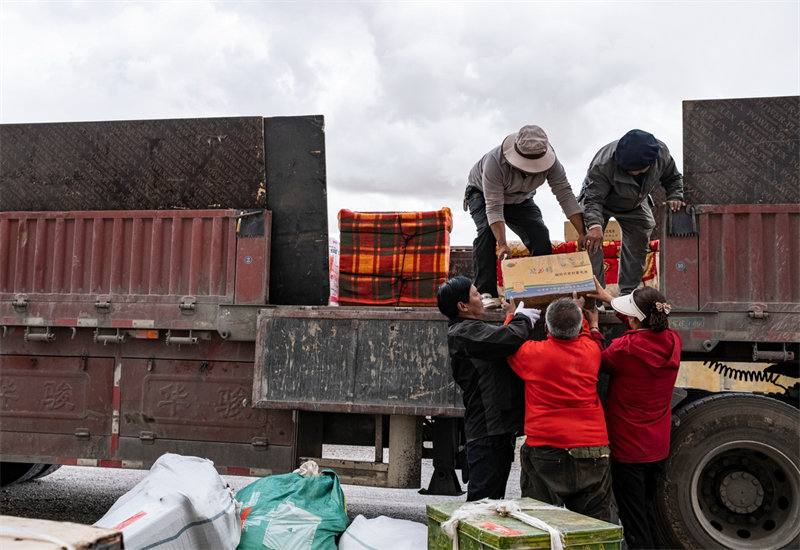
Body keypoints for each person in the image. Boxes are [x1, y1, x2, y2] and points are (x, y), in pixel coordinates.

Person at [586, 281, 682, 549]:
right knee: (648, 512)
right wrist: (607, 298)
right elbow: (642, 324)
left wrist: (594, 327)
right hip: (656, 447)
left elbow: (596, 361)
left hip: (628, 449)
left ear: (634, 320)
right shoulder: (673, 341)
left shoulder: (625, 349)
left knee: (634, 523)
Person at [506, 296, 612, 522]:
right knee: (593, 526)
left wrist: (511, 317)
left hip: (546, 446)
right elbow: (584, 336)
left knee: (542, 525)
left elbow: (507, 342)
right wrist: (586, 319)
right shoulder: (591, 351)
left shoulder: (532, 354)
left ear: (545, 327)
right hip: (592, 447)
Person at [436, 276, 540, 501]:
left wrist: (512, 317)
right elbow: (508, 338)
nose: (481, 299)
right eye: (476, 295)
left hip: (495, 428)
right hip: (487, 429)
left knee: (491, 499)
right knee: (482, 503)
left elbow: (499, 339)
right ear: (462, 306)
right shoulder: (464, 332)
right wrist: (521, 320)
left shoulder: (471, 329)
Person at [466, 125, 588, 309]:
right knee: (486, 232)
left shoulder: (553, 162)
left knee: (539, 233)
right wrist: (503, 243)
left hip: (520, 198)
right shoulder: (494, 162)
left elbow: (565, 195)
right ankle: (486, 291)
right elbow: (494, 206)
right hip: (482, 194)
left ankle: (540, 288)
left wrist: (581, 232)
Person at [579, 129, 685, 295]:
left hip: (634, 201)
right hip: (601, 202)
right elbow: (593, 199)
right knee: (591, 240)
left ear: (648, 165)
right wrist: (594, 225)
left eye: (631, 169)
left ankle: (627, 293)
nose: (626, 170)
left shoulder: (662, 155)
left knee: (641, 233)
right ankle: (595, 295)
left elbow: (673, 178)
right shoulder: (603, 163)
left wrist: (675, 196)